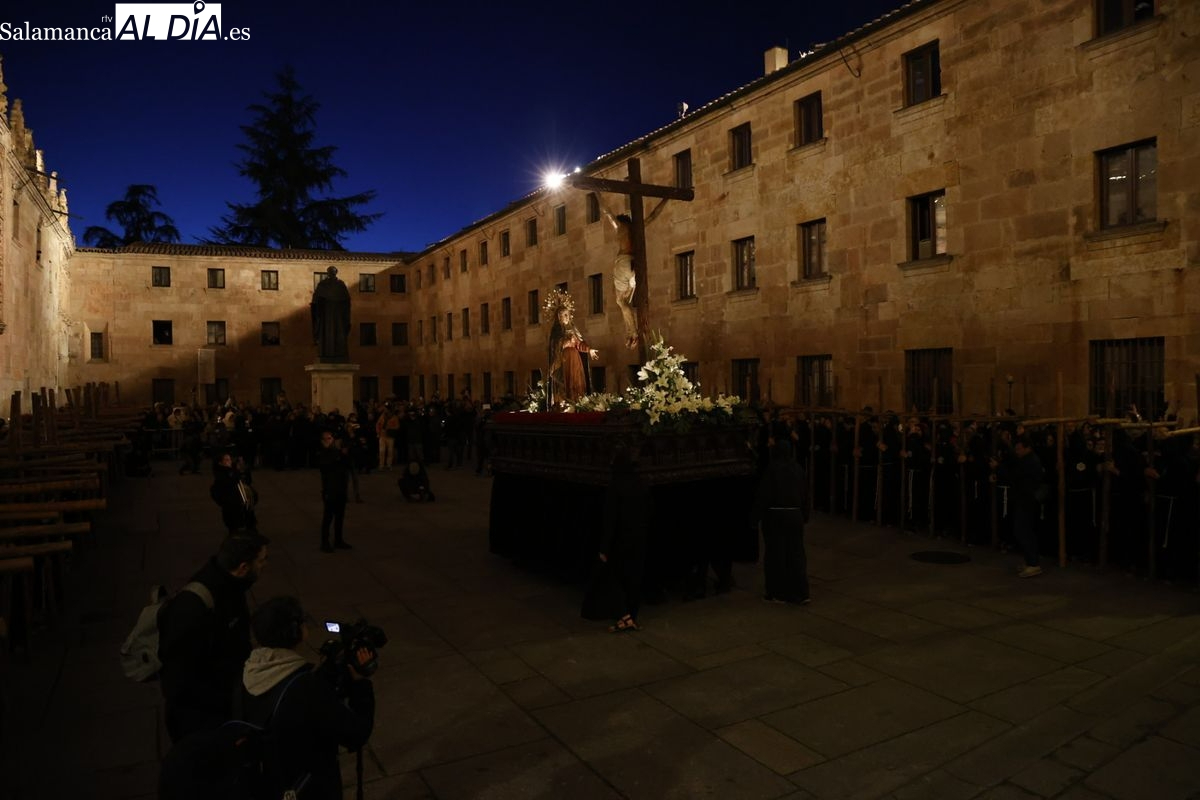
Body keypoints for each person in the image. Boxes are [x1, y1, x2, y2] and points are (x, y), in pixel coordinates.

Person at [241, 596, 375, 800]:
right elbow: (356, 734)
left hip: (269, 782)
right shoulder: (308, 687)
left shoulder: (248, 672)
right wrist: (361, 685)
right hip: (309, 788)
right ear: (297, 632)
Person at [157, 533, 270, 743]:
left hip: (222, 701)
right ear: (244, 567)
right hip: (200, 720)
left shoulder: (232, 585)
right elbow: (177, 682)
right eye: (262, 560)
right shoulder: (195, 605)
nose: (265, 565)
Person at [751, 438, 811, 604]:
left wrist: (755, 518)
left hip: (776, 517)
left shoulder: (772, 470)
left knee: (776, 555)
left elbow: (764, 496)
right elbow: (805, 493)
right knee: (796, 554)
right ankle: (801, 592)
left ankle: (778, 592)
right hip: (795, 516)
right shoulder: (798, 468)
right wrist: (805, 514)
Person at [598, 447, 652, 632]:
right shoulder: (642, 484)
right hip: (639, 537)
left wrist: (605, 547)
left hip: (620, 539)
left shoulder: (615, 486)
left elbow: (610, 519)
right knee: (634, 578)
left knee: (614, 576)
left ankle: (624, 615)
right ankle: (631, 616)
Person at [602, 200, 667, 349]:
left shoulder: (620, 226)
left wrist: (597, 194)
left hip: (623, 263)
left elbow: (606, 211)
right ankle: (632, 334)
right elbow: (654, 215)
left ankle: (632, 333)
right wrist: (666, 199)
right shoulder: (638, 227)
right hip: (635, 266)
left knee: (620, 301)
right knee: (626, 301)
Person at [992, 433, 1045, 578]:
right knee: (1023, 531)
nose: (1017, 451)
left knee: (1023, 531)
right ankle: (1030, 561)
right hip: (1023, 499)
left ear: (1027, 448)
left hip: (1027, 500)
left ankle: (1033, 563)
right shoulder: (1026, 459)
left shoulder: (1030, 461)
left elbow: (1015, 476)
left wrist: (999, 468)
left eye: (1019, 449)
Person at [546, 290, 599, 405]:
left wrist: (589, 350)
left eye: (566, 314)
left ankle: (577, 402)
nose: (565, 317)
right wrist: (565, 341)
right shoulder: (556, 331)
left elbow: (579, 344)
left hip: (575, 360)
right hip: (563, 361)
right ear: (558, 317)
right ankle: (565, 402)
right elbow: (554, 347)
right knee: (566, 381)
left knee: (576, 381)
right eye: (562, 315)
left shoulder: (573, 329)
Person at [317, 430, 353, 552]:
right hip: (330, 490)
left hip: (341, 488)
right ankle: (325, 542)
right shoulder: (323, 453)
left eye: (331, 437)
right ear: (322, 441)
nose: (330, 440)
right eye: (327, 438)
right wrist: (338, 455)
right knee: (328, 517)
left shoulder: (337, 452)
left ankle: (338, 540)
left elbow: (346, 465)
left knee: (340, 516)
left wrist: (343, 454)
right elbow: (326, 467)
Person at [210, 450, 258, 535]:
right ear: (220, 463)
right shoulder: (222, 475)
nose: (230, 461)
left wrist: (243, 470)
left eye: (230, 459)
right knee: (235, 529)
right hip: (233, 507)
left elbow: (248, 481)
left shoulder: (233, 470)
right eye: (226, 460)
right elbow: (230, 483)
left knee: (248, 524)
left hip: (243, 504)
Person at [310, 266, 352, 362]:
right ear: (327, 273)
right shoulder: (322, 284)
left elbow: (346, 300)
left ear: (336, 273)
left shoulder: (341, 285)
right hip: (325, 315)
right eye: (329, 272)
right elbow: (316, 298)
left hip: (338, 314)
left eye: (333, 272)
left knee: (339, 333)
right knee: (326, 333)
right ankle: (326, 353)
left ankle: (339, 354)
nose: (331, 274)